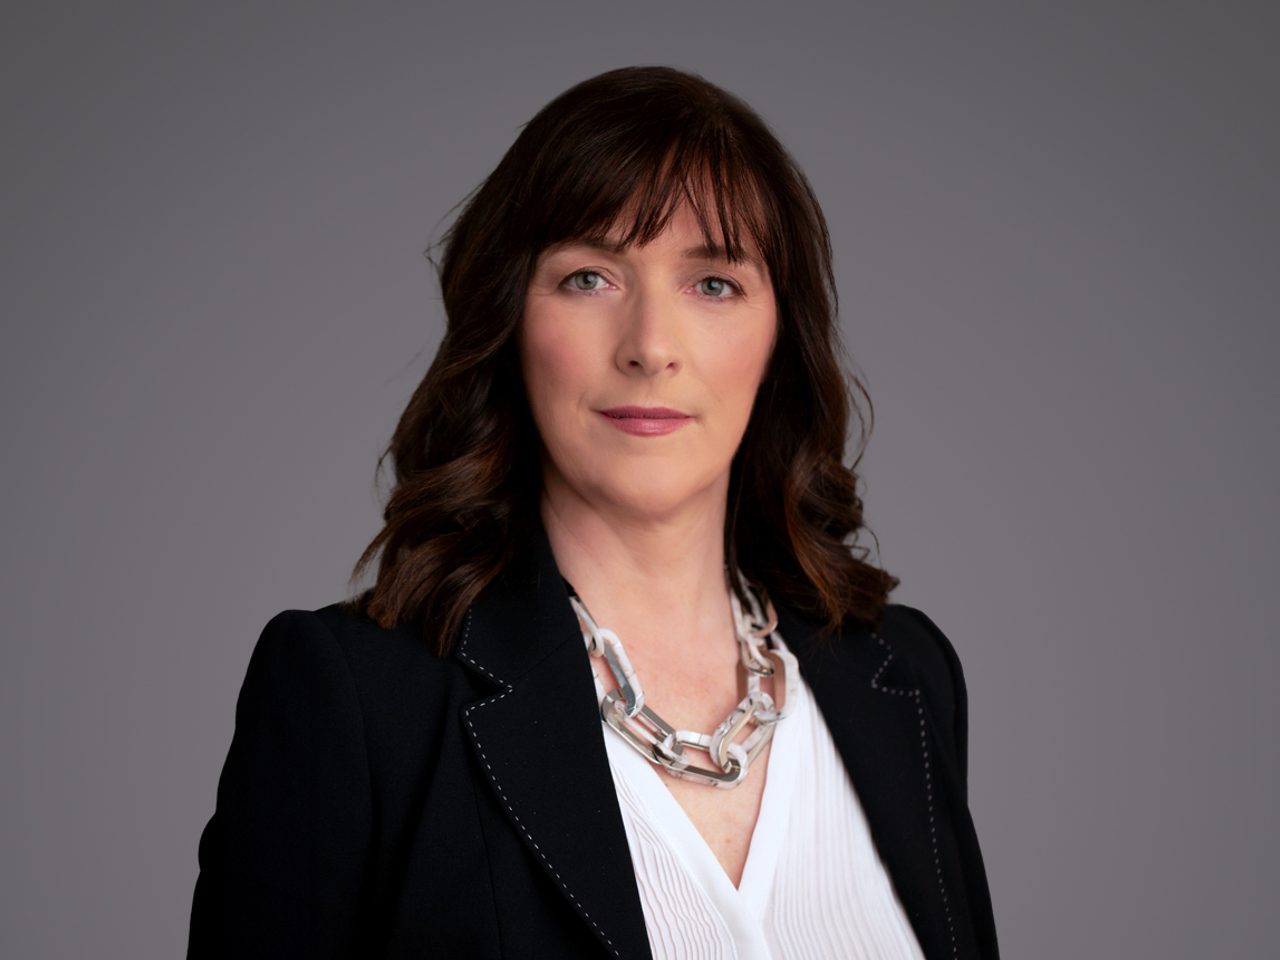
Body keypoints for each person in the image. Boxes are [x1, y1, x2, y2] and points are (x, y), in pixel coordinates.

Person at [187, 65, 999, 959]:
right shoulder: (358, 702)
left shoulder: (904, 679)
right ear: (510, 322)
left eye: (714, 283)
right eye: (589, 278)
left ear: (779, 339)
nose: (651, 346)